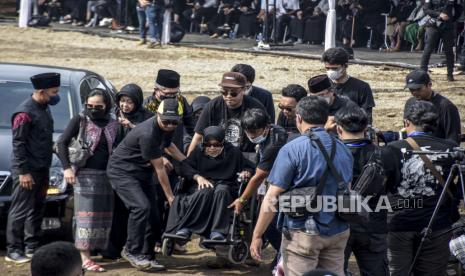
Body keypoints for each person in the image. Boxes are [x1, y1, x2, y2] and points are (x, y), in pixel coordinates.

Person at [249, 96, 353, 276]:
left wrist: (257, 235)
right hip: (338, 230)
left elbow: (272, 196)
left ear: (299, 118)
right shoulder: (343, 148)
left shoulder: (292, 148)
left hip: (303, 231)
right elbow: (347, 189)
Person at [107, 98, 186, 270]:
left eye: (174, 122)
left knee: (154, 214)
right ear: (157, 115)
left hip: (142, 172)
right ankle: (131, 250)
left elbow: (169, 146)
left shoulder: (168, 126)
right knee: (141, 207)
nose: (170, 126)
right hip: (123, 171)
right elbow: (160, 169)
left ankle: (148, 255)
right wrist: (170, 196)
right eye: (166, 121)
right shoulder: (148, 133)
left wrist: (187, 162)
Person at [386, 99, 459, 275]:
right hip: (438, 222)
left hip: (400, 222)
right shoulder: (451, 149)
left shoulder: (392, 149)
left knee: (397, 271)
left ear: (406, 123)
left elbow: (379, 186)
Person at [56, 88, 118, 272]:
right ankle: (85, 258)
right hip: (84, 176)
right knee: (86, 218)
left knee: (103, 217)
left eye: (98, 106)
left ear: (106, 106)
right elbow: (61, 143)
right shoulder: (80, 120)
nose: (93, 109)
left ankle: (95, 251)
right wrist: (67, 168)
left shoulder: (114, 123)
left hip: (107, 177)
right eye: (89, 106)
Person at [335, 104, 399, 276]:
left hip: (338, 223)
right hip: (374, 223)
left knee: (334, 270)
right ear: (366, 127)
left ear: (338, 129)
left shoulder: (331, 153)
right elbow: (394, 187)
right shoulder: (385, 153)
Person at [6, 73, 61, 264]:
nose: (56, 96)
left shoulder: (44, 108)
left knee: (37, 208)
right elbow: (18, 145)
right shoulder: (24, 114)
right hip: (27, 171)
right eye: (54, 92)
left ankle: (32, 245)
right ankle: (13, 249)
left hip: (42, 168)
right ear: (41, 91)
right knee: (20, 210)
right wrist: (23, 172)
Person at [165, 126, 253, 240]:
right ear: (203, 143)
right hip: (202, 185)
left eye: (216, 145)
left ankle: (218, 231)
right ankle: (187, 227)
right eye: (208, 144)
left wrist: (246, 172)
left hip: (225, 184)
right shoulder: (198, 151)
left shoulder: (233, 153)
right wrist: (197, 177)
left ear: (223, 143)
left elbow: (249, 167)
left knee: (222, 191)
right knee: (204, 192)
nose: (212, 148)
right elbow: (185, 167)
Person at [228, 108, 288, 271]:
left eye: (254, 131)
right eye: (248, 131)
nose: (251, 135)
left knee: (270, 225)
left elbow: (259, 176)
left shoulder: (274, 144)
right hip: (275, 184)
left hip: (285, 188)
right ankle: (281, 255)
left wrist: (242, 199)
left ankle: (285, 256)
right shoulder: (273, 131)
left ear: (267, 127)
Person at [143, 69, 195, 249]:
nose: (171, 97)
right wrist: (160, 157)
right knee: (158, 200)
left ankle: (171, 235)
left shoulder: (181, 102)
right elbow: (146, 138)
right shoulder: (147, 106)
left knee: (176, 199)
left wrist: (191, 151)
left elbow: (192, 126)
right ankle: (157, 238)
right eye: (167, 94)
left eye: (175, 93)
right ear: (156, 90)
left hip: (177, 155)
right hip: (154, 161)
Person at [103, 83, 154, 259]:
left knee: (142, 210)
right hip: (118, 171)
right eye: (122, 101)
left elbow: (150, 140)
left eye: (129, 102)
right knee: (118, 212)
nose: (125, 105)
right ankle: (113, 249)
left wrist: (132, 126)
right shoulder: (112, 116)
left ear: (137, 102)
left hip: (140, 172)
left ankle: (142, 250)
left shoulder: (147, 118)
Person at [187, 71, 266, 155]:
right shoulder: (212, 106)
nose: (228, 96)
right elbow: (198, 137)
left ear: (244, 90)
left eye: (233, 93)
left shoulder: (255, 106)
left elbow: (266, 133)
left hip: (247, 155)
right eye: (224, 92)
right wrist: (188, 163)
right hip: (219, 154)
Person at [404, 69, 461, 144]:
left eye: (418, 89)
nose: (414, 92)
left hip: (437, 152)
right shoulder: (410, 103)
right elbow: (406, 131)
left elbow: (453, 139)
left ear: (429, 85)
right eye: (411, 89)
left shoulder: (446, 106)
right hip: (415, 150)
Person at [322, 47, 375, 124]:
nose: (330, 71)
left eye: (335, 68)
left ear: (345, 65)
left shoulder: (362, 87)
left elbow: (367, 117)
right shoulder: (322, 85)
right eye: (327, 68)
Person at [420, 0, 458, 81]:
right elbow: (426, 9)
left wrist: (452, 19)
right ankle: (423, 74)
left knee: (449, 51)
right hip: (434, 25)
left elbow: (459, 8)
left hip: (448, 26)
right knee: (428, 50)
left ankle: (450, 75)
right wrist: (439, 14)